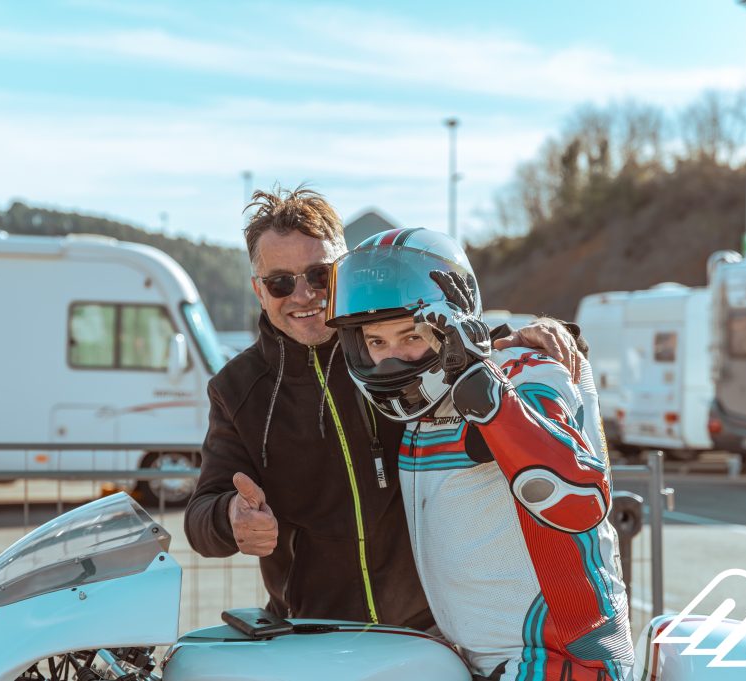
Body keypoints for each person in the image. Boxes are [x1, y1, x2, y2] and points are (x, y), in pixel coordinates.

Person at [184, 186, 583, 630]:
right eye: (280, 282)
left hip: (439, 629)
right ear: (259, 291)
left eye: (319, 275)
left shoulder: (396, 347)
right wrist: (230, 517)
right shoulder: (237, 388)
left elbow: (481, 342)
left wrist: (546, 330)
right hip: (315, 633)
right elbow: (200, 519)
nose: (302, 296)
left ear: (346, 272)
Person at [325, 227, 633, 681]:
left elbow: (580, 496)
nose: (392, 359)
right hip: (479, 659)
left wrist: (490, 397)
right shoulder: (419, 413)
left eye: (411, 336)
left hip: (560, 659)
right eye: (376, 341)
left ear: (451, 321)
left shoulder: (527, 373)